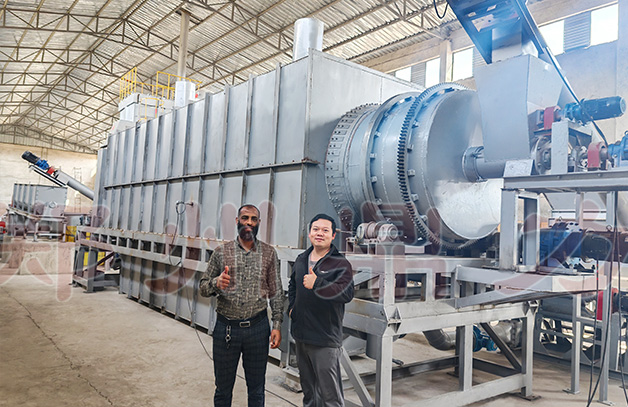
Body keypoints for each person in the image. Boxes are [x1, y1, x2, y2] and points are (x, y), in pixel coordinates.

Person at [199, 204, 283, 407]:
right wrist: (216, 283)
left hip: (258, 329)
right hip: (226, 329)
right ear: (237, 221)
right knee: (223, 389)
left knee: (257, 390)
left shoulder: (269, 254)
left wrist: (277, 325)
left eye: (253, 219)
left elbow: (276, 291)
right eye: (245, 218)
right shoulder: (221, 253)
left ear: (259, 223)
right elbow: (203, 287)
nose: (249, 223)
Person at [288, 213, 354, 407]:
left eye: (325, 230)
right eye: (315, 229)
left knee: (330, 397)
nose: (319, 233)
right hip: (302, 336)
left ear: (333, 236)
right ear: (309, 233)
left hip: (325, 338)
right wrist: (292, 309)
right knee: (309, 394)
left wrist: (318, 283)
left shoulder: (340, 264)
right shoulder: (302, 259)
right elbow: (293, 286)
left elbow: (347, 293)